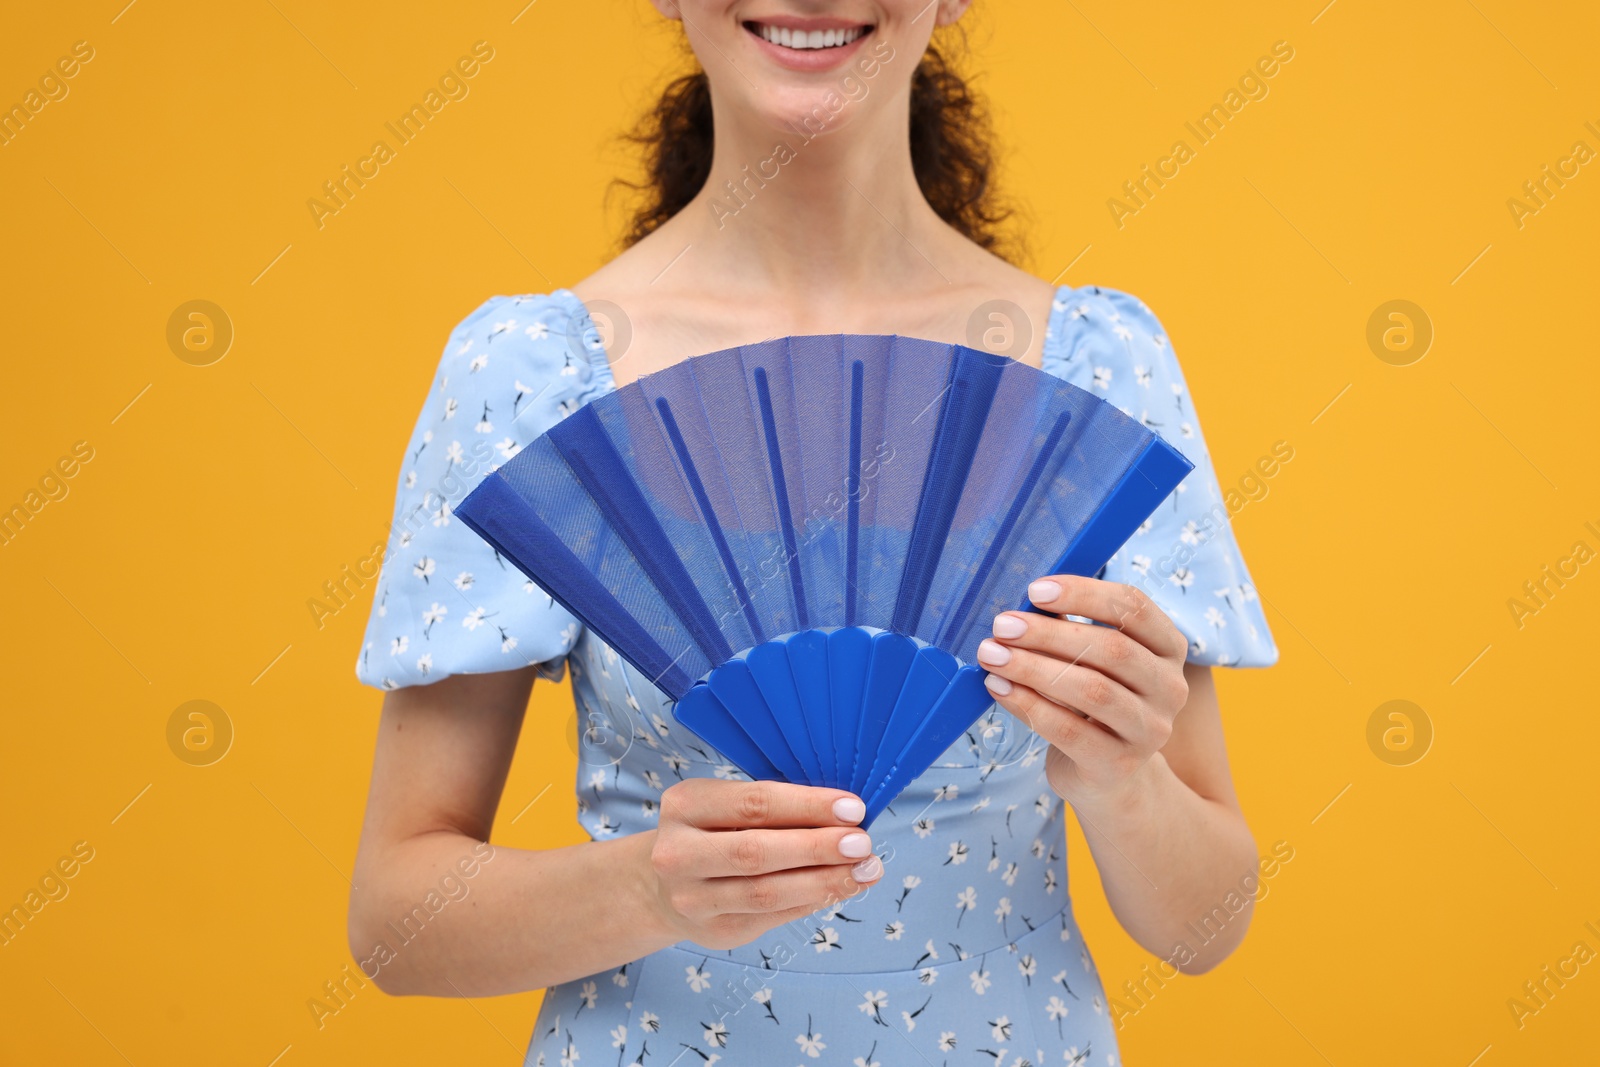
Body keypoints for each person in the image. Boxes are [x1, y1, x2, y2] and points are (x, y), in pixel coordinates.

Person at [349, 3, 1278, 1063]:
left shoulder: (1096, 367)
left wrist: (1124, 779)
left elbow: (1209, 922)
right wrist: (648, 885)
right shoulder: (532, 375)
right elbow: (394, 920)